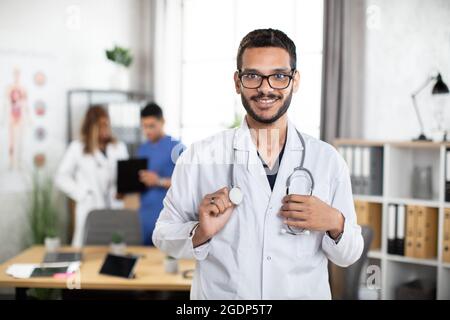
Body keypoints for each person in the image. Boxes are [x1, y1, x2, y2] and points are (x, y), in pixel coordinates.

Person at [153, 28, 364, 299]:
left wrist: (334, 221)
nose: (265, 88)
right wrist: (200, 232)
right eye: (252, 76)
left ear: (295, 81)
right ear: (237, 82)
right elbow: (163, 235)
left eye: (278, 76)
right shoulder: (199, 157)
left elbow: (349, 254)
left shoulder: (327, 160)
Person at [55, 105, 129, 247]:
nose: (105, 129)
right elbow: (61, 177)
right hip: (89, 205)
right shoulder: (77, 148)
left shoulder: (118, 147)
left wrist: (122, 191)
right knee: (86, 250)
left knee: (115, 248)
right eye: (101, 125)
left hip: (113, 206)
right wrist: (83, 194)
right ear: (91, 127)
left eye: (107, 124)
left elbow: (124, 177)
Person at [137, 102, 184, 245]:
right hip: (145, 216)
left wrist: (158, 181)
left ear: (162, 122)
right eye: (144, 126)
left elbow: (187, 183)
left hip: (168, 217)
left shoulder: (177, 147)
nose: (147, 131)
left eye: (151, 126)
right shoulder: (142, 150)